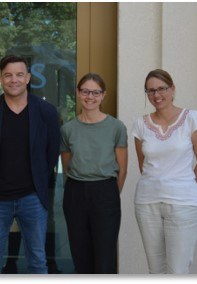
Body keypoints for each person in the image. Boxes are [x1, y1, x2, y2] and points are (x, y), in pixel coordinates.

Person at [0, 55, 61, 274]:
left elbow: (51, 154)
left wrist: (37, 183)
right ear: (1, 78)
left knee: (37, 261)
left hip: (32, 197)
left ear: (28, 78)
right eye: (8, 75)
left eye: (18, 74)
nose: (13, 80)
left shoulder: (46, 112)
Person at [132, 69, 197, 274]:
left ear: (172, 88)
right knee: (156, 271)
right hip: (147, 202)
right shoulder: (140, 124)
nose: (156, 95)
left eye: (161, 89)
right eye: (150, 91)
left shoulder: (192, 117)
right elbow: (143, 166)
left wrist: (184, 186)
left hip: (183, 203)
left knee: (178, 271)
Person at [60, 73, 127, 274]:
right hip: (76, 191)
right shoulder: (68, 129)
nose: (90, 96)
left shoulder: (116, 127)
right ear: (78, 94)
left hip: (105, 191)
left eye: (96, 92)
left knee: (105, 255)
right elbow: (66, 166)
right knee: (81, 254)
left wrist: (110, 194)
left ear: (103, 95)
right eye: (86, 91)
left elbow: (122, 168)